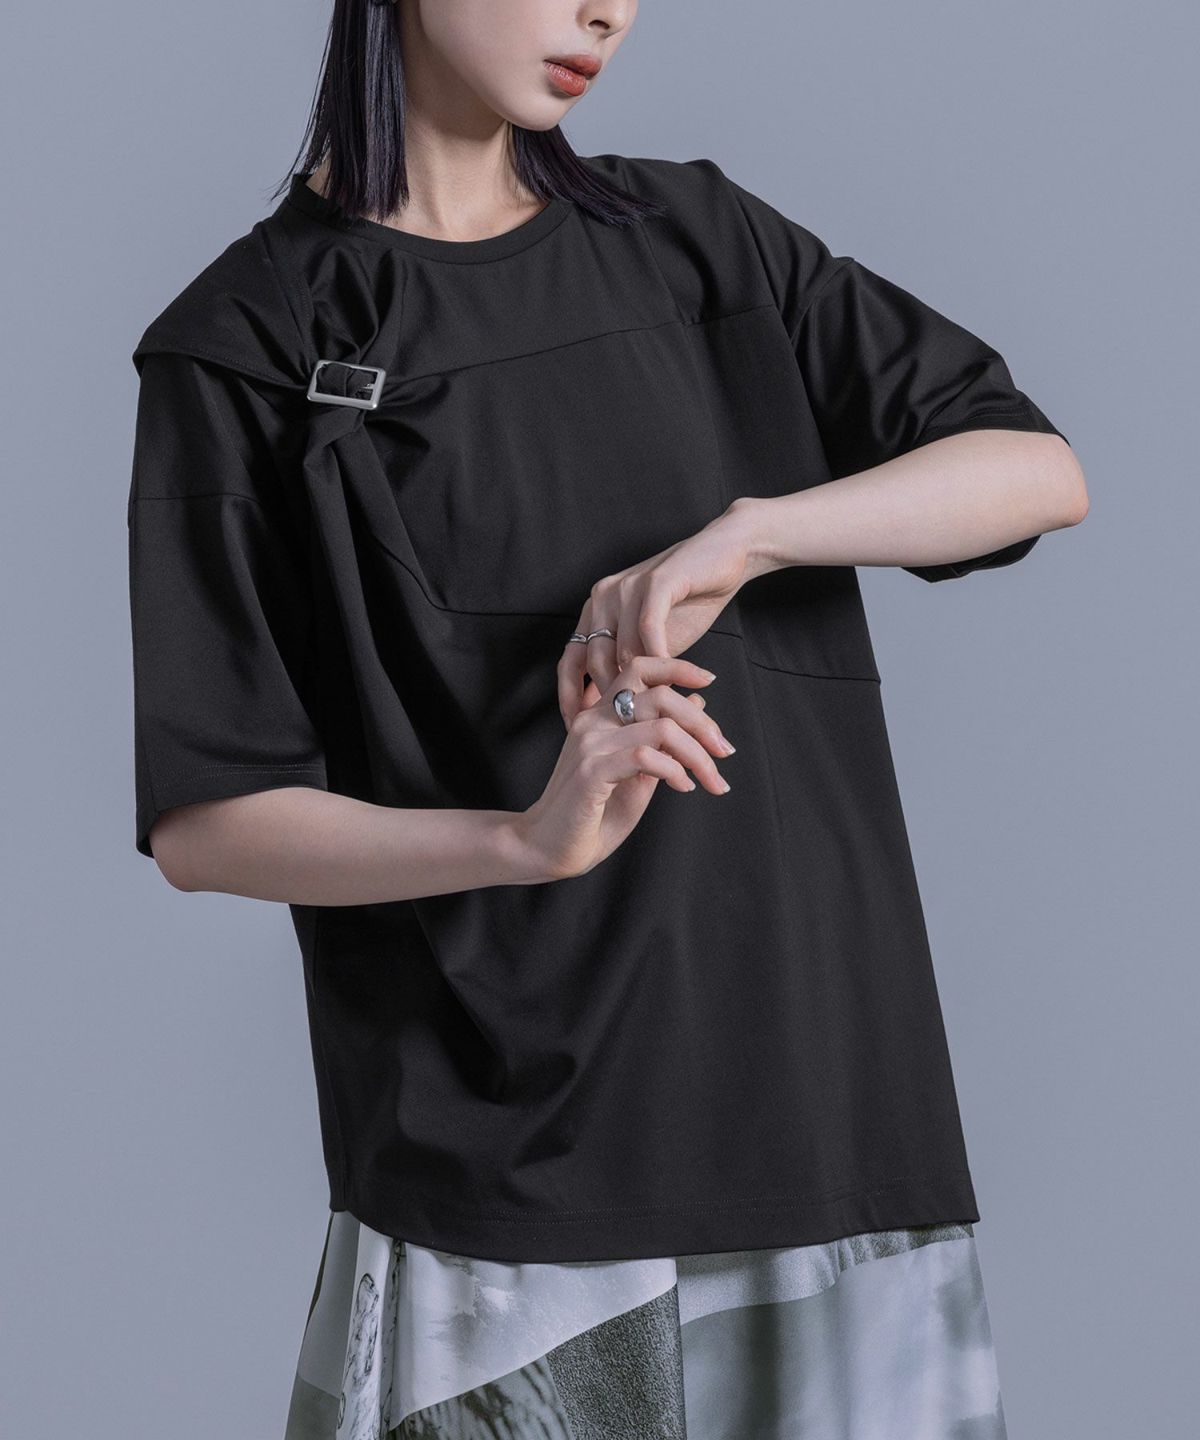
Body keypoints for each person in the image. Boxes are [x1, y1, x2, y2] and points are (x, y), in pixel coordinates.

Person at [125, 1, 1088, 1434]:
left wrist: (749, 536)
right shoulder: (248, 343)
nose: (607, 10)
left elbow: (1033, 471)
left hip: (828, 1134)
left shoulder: (698, 242)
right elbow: (211, 821)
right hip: (515, 1192)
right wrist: (524, 841)